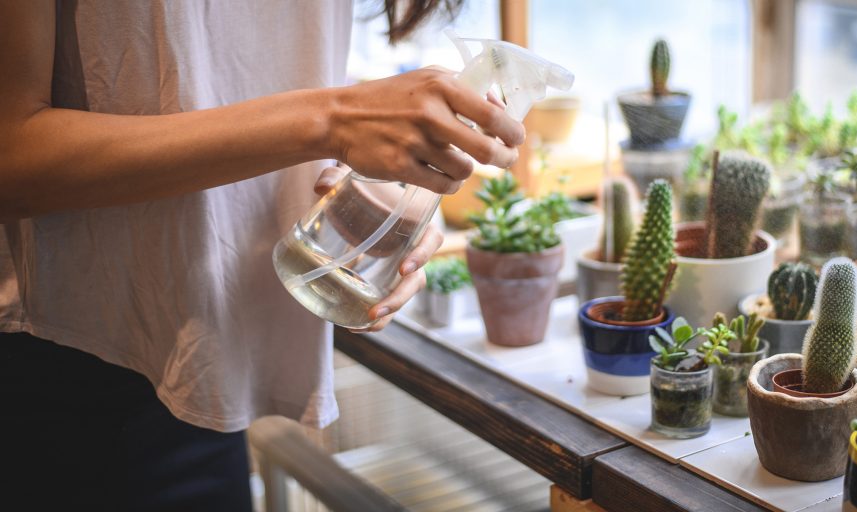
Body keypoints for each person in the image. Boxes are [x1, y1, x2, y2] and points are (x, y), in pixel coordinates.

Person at [0, 0, 525, 509]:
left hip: (202, 359)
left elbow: (248, 71)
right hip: (54, 360)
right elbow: (10, 157)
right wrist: (335, 119)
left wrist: (375, 185)